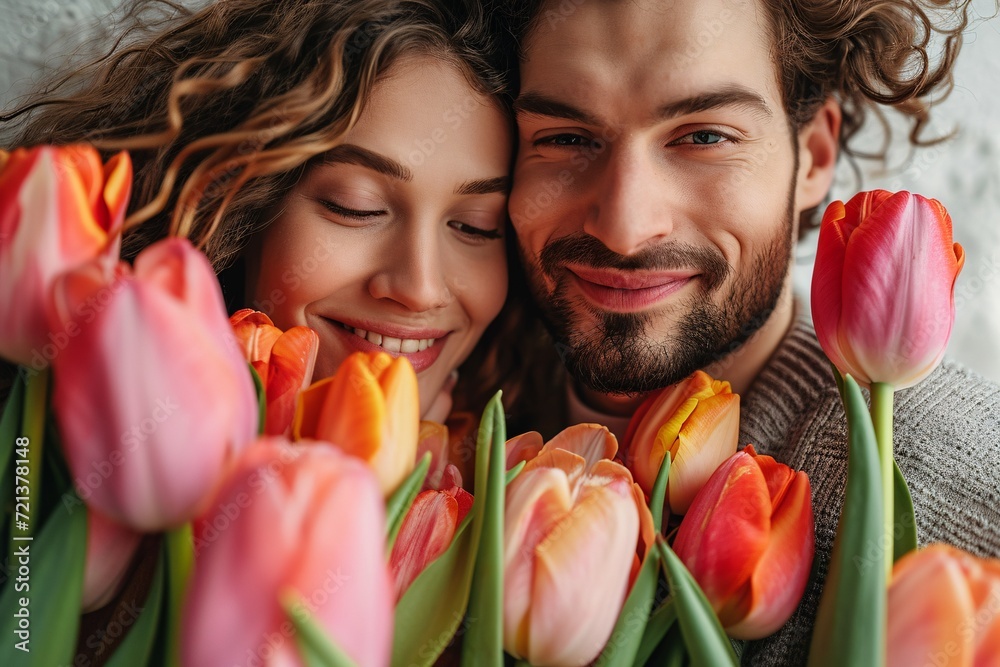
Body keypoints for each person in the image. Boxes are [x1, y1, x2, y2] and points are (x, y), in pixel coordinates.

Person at [0, 0, 532, 661]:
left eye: (477, 226)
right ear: (242, 205)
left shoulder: (509, 523)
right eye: (355, 206)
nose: (421, 286)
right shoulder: (48, 486)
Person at [500, 0, 1000, 664]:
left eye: (705, 136)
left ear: (813, 155)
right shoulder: (457, 425)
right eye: (566, 137)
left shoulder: (977, 511)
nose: (623, 226)